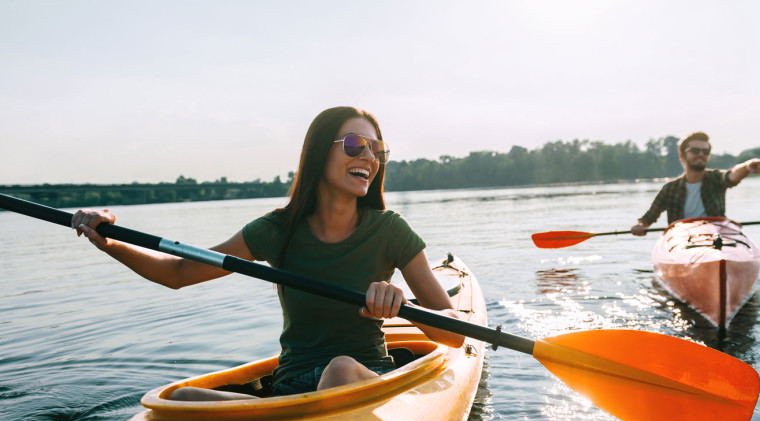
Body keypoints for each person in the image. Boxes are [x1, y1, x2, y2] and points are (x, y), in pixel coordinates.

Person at [71, 106, 465, 400]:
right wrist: (109, 240)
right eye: (354, 145)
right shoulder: (277, 230)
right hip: (290, 387)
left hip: (361, 377)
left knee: (340, 369)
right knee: (180, 397)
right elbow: (177, 272)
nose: (369, 157)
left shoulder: (390, 230)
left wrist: (400, 305)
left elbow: (452, 334)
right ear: (318, 153)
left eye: (377, 149)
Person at [630, 131, 760, 236]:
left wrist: (748, 166)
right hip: (682, 240)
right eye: (695, 151)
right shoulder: (670, 189)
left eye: (705, 151)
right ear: (682, 156)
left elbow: (732, 175)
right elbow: (648, 218)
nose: (701, 154)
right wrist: (640, 225)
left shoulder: (716, 179)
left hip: (716, 236)